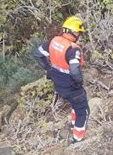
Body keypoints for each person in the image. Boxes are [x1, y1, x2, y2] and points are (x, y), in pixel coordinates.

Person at [34, 16, 89, 144]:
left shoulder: (53, 41)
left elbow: (38, 54)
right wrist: (78, 83)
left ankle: (73, 125)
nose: (79, 35)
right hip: (71, 86)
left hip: (59, 85)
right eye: (78, 33)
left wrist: (49, 69)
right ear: (74, 32)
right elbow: (75, 70)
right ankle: (77, 138)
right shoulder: (72, 49)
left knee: (75, 105)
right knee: (83, 111)